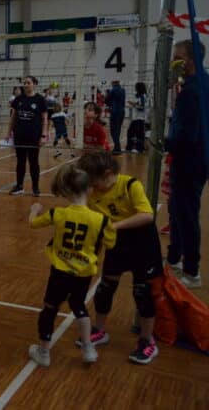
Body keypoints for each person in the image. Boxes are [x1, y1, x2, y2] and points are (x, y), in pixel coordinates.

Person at [77, 151, 163, 364]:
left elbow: (147, 215)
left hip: (143, 242)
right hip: (117, 242)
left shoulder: (130, 185)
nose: (92, 187)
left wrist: (114, 226)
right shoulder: (94, 193)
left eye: (94, 181)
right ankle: (100, 329)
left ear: (107, 173)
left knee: (142, 293)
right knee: (105, 288)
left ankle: (147, 341)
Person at [27, 163, 115, 367]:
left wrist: (34, 210)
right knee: (79, 306)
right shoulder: (101, 220)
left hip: (60, 271)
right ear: (90, 190)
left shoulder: (58, 213)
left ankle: (44, 352)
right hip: (83, 273)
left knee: (50, 308)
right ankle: (88, 349)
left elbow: (33, 223)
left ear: (67, 190)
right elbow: (111, 242)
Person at [165, 39, 208, 288]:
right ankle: (174, 258)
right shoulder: (198, 84)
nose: (173, 61)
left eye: (177, 57)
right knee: (176, 209)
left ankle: (192, 272)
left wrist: (163, 142)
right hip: (197, 159)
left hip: (190, 161)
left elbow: (187, 135)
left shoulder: (193, 90)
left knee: (186, 214)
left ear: (189, 61)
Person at [9, 76, 48, 197]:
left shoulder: (40, 99)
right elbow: (13, 117)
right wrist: (8, 132)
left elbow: (45, 118)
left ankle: (35, 188)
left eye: (28, 83)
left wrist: (43, 135)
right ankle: (19, 186)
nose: (26, 85)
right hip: (19, 135)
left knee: (33, 162)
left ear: (34, 84)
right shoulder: (18, 99)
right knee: (20, 162)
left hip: (33, 136)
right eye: (24, 83)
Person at [126, 82, 148, 153]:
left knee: (136, 133)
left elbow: (141, 107)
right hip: (137, 118)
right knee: (132, 132)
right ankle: (131, 147)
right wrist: (134, 103)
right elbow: (140, 104)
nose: (135, 89)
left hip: (139, 118)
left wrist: (133, 104)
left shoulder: (142, 96)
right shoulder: (141, 96)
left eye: (136, 87)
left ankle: (138, 148)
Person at [106, 80, 126, 154]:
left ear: (113, 83)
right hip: (122, 112)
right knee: (118, 130)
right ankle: (117, 147)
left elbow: (106, 100)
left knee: (113, 130)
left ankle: (117, 147)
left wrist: (110, 105)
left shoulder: (113, 90)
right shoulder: (123, 90)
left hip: (115, 112)